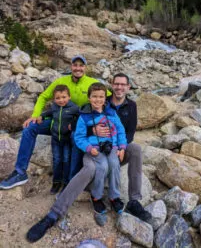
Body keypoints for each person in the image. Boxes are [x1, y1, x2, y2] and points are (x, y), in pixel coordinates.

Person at [26, 73, 152, 243]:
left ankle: (133, 201)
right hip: (93, 150)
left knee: (134, 149)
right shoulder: (88, 110)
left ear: (128, 87)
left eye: (124, 85)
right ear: (111, 87)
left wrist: (120, 148)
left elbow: (126, 132)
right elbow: (77, 133)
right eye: (117, 84)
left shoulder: (127, 107)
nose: (120, 87)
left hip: (114, 148)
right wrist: (92, 135)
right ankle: (55, 213)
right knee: (93, 168)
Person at [0, 55, 100, 190]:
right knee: (30, 128)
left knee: (74, 139)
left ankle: (71, 181)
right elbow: (43, 97)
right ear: (71, 66)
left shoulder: (91, 83)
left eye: (81, 65)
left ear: (85, 67)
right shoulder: (61, 82)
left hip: (77, 125)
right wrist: (36, 116)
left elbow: (106, 98)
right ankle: (20, 172)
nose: (78, 68)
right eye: (75, 65)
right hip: (57, 121)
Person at [74, 82, 127, 218]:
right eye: (94, 96)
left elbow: (120, 130)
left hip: (112, 146)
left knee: (114, 165)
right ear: (89, 98)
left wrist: (122, 147)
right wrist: (89, 148)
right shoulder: (84, 116)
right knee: (102, 166)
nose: (98, 100)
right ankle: (96, 196)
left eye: (101, 97)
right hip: (95, 149)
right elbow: (79, 137)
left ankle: (114, 196)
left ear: (105, 98)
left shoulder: (111, 112)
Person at [37, 85, 79, 194]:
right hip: (55, 139)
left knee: (66, 160)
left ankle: (65, 183)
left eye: (64, 97)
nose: (61, 100)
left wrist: (73, 124)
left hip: (66, 140)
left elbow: (81, 118)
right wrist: (41, 116)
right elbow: (49, 112)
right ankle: (56, 182)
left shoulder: (74, 108)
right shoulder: (54, 106)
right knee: (56, 161)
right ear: (54, 99)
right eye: (58, 98)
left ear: (69, 97)